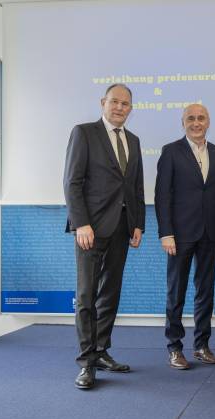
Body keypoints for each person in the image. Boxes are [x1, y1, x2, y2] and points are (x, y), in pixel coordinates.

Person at [63, 83, 145, 389]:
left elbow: (135, 186)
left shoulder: (134, 141)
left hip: (122, 229)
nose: (120, 107)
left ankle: (101, 351)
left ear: (131, 109)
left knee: (110, 294)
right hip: (91, 230)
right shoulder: (84, 133)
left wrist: (138, 224)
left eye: (126, 104)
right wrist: (81, 224)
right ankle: (86, 363)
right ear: (103, 102)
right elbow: (72, 181)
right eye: (115, 102)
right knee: (86, 296)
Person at [155, 103, 215, 369]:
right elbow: (162, 196)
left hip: (210, 233)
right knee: (176, 291)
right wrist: (165, 232)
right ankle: (175, 348)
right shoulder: (170, 152)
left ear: (208, 121)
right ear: (183, 122)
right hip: (179, 235)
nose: (196, 122)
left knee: (205, 291)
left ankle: (201, 345)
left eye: (201, 118)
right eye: (191, 118)